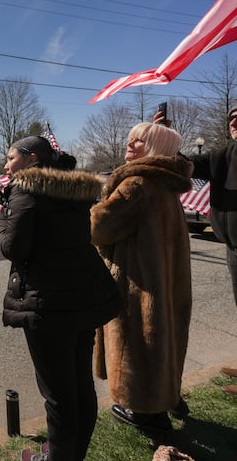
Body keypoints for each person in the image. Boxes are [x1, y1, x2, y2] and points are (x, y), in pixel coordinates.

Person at [0, 135, 118, 461]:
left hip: (48, 306)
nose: (6, 165)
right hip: (83, 298)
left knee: (58, 396)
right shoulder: (73, 190)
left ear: (31, 160)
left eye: (10, 158)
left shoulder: (27, 188)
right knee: (80, 388)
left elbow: (14, 247)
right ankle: (73, 454)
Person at [91, 122, 193, 433]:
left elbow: (100, 228)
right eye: (131, 138)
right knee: (163, 338)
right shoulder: (167, 184)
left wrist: (93, 208)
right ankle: (166, 396)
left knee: (137, 343)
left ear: (153, 148)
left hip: (137, 282)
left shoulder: (136, 184)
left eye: (138, 141)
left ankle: (146, 410)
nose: (130, 144)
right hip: (167, 279)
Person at [155, 106, 237, 395]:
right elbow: (182, 163)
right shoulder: (222, 157)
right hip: (233, 247)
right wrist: (163, 137)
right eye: (231, 118)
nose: (234, 122)